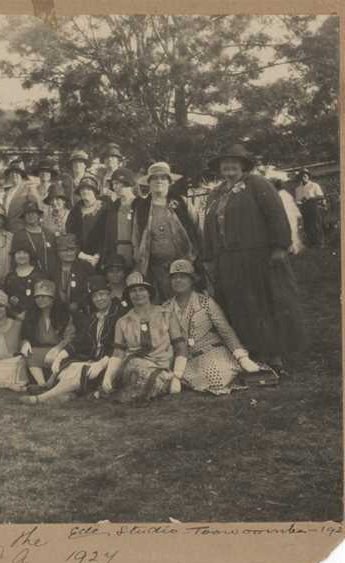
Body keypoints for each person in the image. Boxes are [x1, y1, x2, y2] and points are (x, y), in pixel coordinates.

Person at [202, 144, 303, 373]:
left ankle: (273, 354)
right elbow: (208, 227)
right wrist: (208, 255)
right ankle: (248, 354)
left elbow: (276, 215)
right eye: (224, 163)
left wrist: (279, 247)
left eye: (234, 162)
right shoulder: (216, 193)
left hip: (256, 258)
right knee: (236, 306)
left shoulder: (257, 185)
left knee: (261, 304)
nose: (229, 166)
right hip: (227, 261)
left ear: (243, 165)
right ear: (219, 168)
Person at [162, 259, 261, 395]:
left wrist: (241, 357)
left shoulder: (206, 302)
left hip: (210, 350)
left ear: (192, 280)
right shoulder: (165, 307)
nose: (178, 280)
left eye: (183, 277)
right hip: (184, 358)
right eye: (174, 277)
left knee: (215, 377)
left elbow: (225, 330)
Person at [21, 274, 123, 404]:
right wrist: (61, 356)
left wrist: (102, 362)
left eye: (102, 294)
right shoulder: (93, 318)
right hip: (92, 360)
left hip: (111, 363)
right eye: (95, 296)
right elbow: (81, 342)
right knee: (68, 369)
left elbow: (118, 347)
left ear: (110, 295)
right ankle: (66, 395)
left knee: (78, 372)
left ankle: (41, 398)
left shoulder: (119, 317)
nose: (99, 299)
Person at [99, 271, 188, 403]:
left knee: (156, 381)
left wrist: (177, 377)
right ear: (128, 295)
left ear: (149, 293)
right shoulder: (123, 321)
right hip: (133, 365)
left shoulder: (166, 314)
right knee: (137, 369)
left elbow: (181, 347)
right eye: (133, 291)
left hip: (162, 366)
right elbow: (118, 353)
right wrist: (107, 376)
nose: (138, 294)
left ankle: (135, 390)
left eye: (142, 290)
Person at [133, 162, 197, 302]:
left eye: (163, 178)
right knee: (160, 307)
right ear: (149, 183)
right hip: (155, 269)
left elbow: (197, 230)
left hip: (182, 266)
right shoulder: (142, 208)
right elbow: (137, 238)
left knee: (186, 303)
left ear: (169, 182)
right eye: (154, 178)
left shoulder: (182, 203)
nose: (159, 181)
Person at [20, 279, 75, 386]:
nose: (40, 299)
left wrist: (57, 349)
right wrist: (25, 342)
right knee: (30, 355)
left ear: (52, 299)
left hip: (59, 350)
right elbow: (25, 334)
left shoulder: (63, 315)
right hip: (41, 350)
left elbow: (70, 336)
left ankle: (50, 382)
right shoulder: (31, 315)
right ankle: (41, 384)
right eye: (37, 297)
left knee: (64, 358)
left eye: (44, 296)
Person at [98, 167, 139, 266]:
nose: (114, 187)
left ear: (127, 183)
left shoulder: (140, 204)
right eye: (113, 184)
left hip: (136, 252)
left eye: (117, 183)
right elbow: (107, 236)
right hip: (115, 253)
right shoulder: (112, 207)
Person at [64, 174, 105, 266]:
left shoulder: (104, 209)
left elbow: (108, 235)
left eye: (89, 189)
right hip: (80, 257)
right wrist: (83, 256)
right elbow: (69, 235)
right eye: (82, 189)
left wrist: (97, 256)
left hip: (101, 258)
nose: (85, 191)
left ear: (95, 192)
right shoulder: (75, 211)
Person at [13, 199, 59, 276]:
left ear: (38, 215)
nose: (31, 216)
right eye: (27, 214)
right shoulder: (19, 236)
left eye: (33, 213)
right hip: (30, 277)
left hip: (51, 276)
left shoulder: (49, 233)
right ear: (24, 217)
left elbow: (56, 255)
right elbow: (14, 260)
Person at [52, 234, 93, 313]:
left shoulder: (86, 267)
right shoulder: (53, 269)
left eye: (72, 249)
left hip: (81, 312)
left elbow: (92, 290)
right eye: (64, 250)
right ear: (58, 252)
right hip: (58, 313)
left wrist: (79, 304)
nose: (69, 253)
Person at [3, 240, 42, 317]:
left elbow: (41, 300)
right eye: (18, 253)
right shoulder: (9, 276)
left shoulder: (38, 275)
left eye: (25, 253)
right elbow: (6, 299)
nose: (21, 256)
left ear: (30, 255)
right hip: (13, 318)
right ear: (14, 256)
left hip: (34, 317)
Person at [271, 178, 306, 255]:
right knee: (293, 230)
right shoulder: (286, 194)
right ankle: (294, 248)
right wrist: (297, 214)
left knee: (290, 231)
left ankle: (292, 248)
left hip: (287, 215)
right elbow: (293, 205)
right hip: (291, 215)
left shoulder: (278, 195)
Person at [294, 168, 326, 248]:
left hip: (313, 206)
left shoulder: (314, 185)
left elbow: (321, 196)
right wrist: (300, 202)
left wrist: (310, 198)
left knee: (316, 224)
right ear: (300, 178)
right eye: (302, 176)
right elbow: (297, 200)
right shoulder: (297, 189)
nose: (303, 177)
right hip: (304, 208)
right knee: (307, 225)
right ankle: (311, 243)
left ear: (308, 176)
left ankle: (320, 243)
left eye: (305, 175)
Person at [2, 159, 36, 224]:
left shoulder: (28, 187)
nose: (14, 175)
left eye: (17, 173)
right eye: (11, 173)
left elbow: (35, 208)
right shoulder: (8, 191)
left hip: (22, 226)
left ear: (21, 175)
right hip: (8, 226)